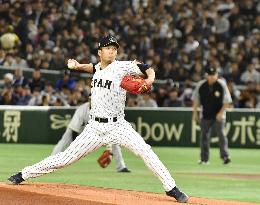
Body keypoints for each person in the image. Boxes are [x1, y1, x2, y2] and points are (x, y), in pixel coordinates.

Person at [8, 35, 188, 203]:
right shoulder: (98, 68)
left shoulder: (122, 66)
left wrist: (149, 80)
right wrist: (78, 66)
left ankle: (170, 187)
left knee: (146, 151)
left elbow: (147, 68)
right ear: (100, 52)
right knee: (65, 158)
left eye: (114, 48)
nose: (112, 51)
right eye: (108, 48)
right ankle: (23, 174)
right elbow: (93, 67)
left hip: (118, 125)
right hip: (94, 127)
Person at [51, 99, 131, 173]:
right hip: (79, 130)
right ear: (89, 99)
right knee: (64, 140)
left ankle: (121, 167)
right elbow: (74, 131)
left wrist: (109, 149)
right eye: (91, 98)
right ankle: (52, 162)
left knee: (114, 142)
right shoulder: (82, 109)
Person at [192, 66, 232, 165]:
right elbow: (196, 100)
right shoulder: (201, 85)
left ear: (217, 75)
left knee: (221, 135)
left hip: (219, 115)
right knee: (204, 136)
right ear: (207, 76)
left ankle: (225, 156)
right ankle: (204, 159)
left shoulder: (221, 84)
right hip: (206, 114)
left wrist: (220, 113)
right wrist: (195, 113)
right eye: (210, 75)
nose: (212, 77)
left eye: (213, 75)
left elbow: (227, 102)